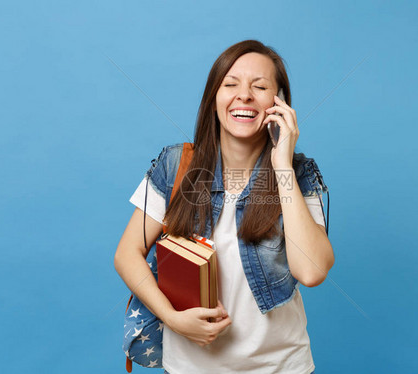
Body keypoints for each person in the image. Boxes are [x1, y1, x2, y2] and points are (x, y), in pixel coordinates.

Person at [114, 40, 334, 374]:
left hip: (282, 367)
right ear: (213, 98)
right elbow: (127, 254)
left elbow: (312, 271)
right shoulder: (177, 165)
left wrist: (283, 165)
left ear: (279, 103)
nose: (244, 95)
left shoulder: (298, 174)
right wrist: (171, 317)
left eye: (259, 86)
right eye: (230, 84)